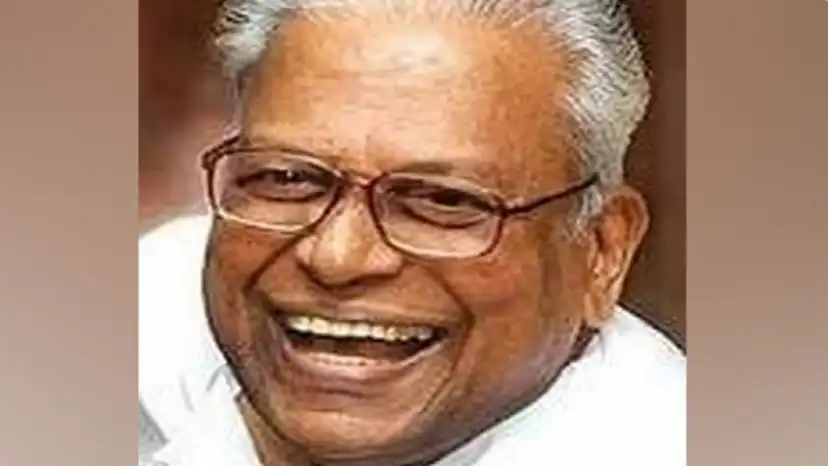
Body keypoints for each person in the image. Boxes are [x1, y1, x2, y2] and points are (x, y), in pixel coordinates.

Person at [139, 0, 686, 464]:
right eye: (288, 179)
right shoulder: (149, 314)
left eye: (444, 201)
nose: (337, 258)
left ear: (601, 250)